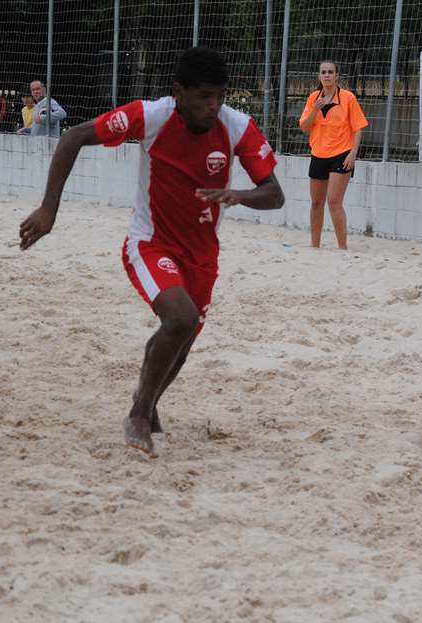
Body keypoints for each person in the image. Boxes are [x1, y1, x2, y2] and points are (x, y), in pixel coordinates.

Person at [18, 47, 285, 456]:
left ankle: (149, 400)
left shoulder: (237, 126)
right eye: (204, 96)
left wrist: (239, 194)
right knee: (181, 319)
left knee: (182, 341)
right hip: (149, 243)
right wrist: (49, 208)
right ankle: (139, 415)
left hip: (203, 256)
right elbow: (74, 136)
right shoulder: (152, 116)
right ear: (178, 92)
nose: (214, 106)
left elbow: (275, 195)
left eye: (220, 96)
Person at [299, 60, 368, 250]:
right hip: (318, 154)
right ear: (319, 76)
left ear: (337, 76)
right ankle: (315, 246)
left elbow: (358, 127)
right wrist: (315, 110)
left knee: (334, 201)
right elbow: (304, 127)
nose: (327, 75)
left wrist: (353, 152)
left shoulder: (348, 98)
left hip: (341, 153)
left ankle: (342, 248)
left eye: (330, 72)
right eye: (324, 72)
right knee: (316, 203)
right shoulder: (313, 98)